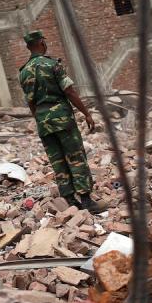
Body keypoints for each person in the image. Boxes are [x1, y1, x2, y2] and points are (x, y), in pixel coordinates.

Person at [19, 30, 107, 214]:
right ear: (42, 43)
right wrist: (86, 113)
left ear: (28, 46)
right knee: (75, 157)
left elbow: (31, 102)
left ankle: (69, 200)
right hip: (62, 119)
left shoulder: (23, 72)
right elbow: (69, 91)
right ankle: (86, 200)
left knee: (57, 161)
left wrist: (41, 120)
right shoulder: (53, 65)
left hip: (43, 122)